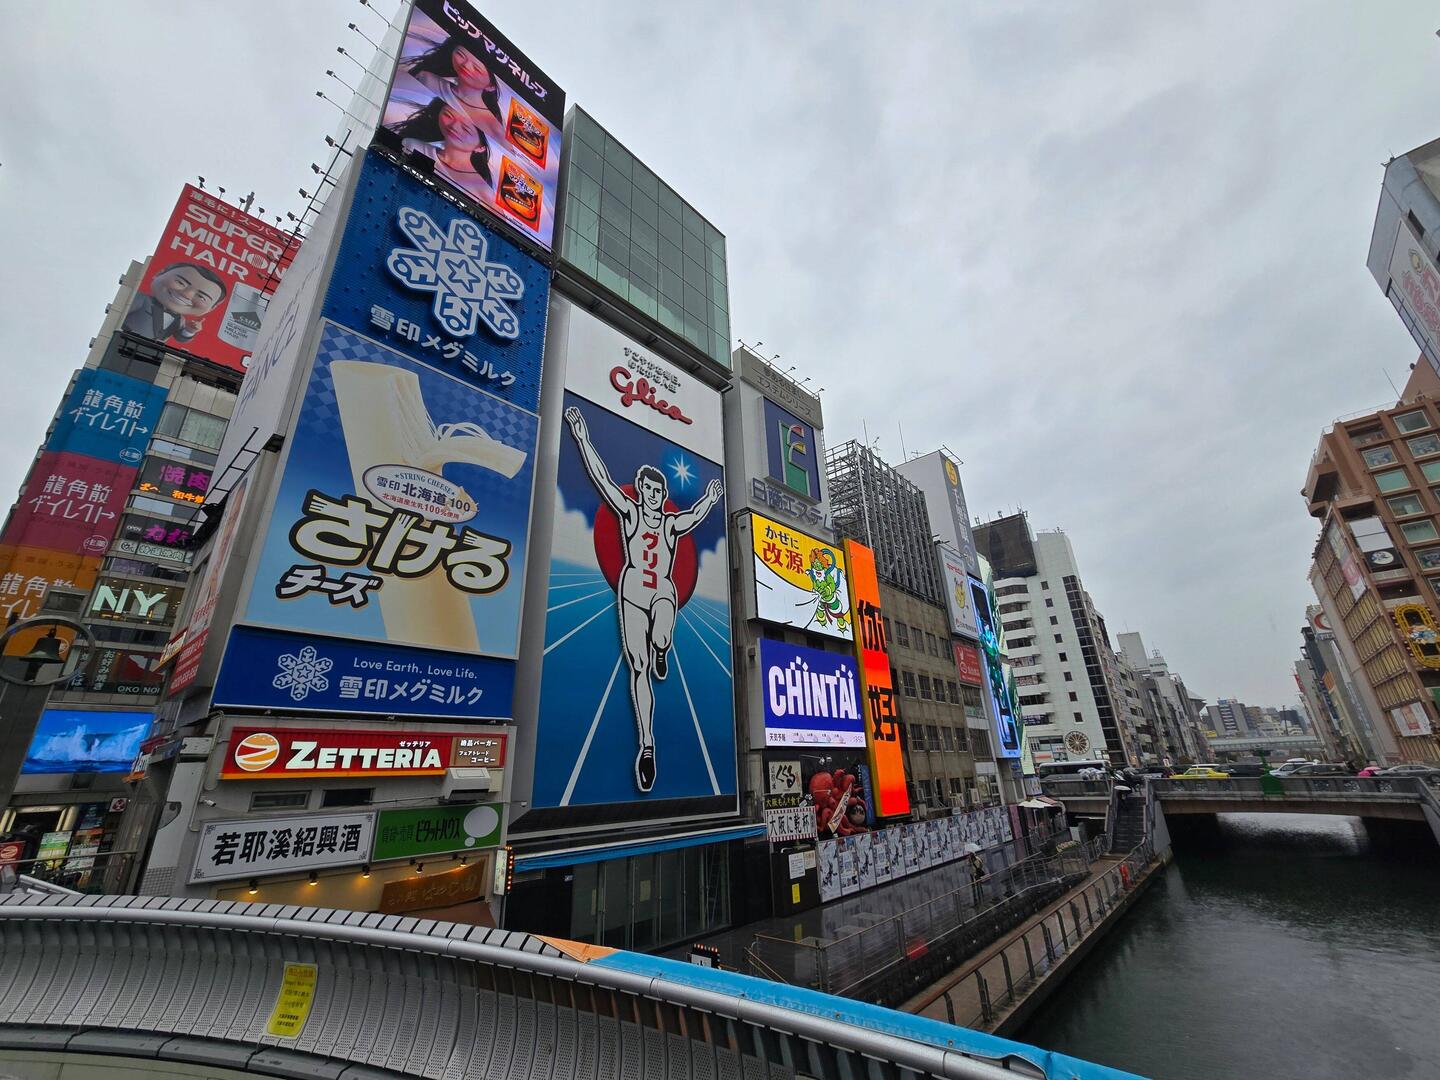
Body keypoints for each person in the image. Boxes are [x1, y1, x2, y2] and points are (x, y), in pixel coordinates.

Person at [565, 406, 724, 793]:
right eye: (647, 490)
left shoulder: (669, 524)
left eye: (658, 491)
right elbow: (602, 479)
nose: (652, 496)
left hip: (662, 590)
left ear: (663, 495)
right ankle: (647, 745)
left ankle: (662, 648)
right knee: (638, 667)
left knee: (662, 634)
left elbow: (693, 517)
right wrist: (583, 438)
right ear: (641, 490)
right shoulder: (630, 514)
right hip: (633, 589)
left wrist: (709, 499)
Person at [387, 93, 494, 188]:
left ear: (481, 147)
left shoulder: (482, 191)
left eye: (466, 129)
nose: (454, 127)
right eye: (448, 115)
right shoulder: (413, 145)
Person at [123, 262, 228, 346]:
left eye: (201, 297)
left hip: (148, 353)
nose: (187, 294)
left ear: (211, 308)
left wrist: (190, 330)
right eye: (180, 282)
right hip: (123, 341)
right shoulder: (142, 299)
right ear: (159, 274)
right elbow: (119, 312)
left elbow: (180, 338)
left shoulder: (180, 320)